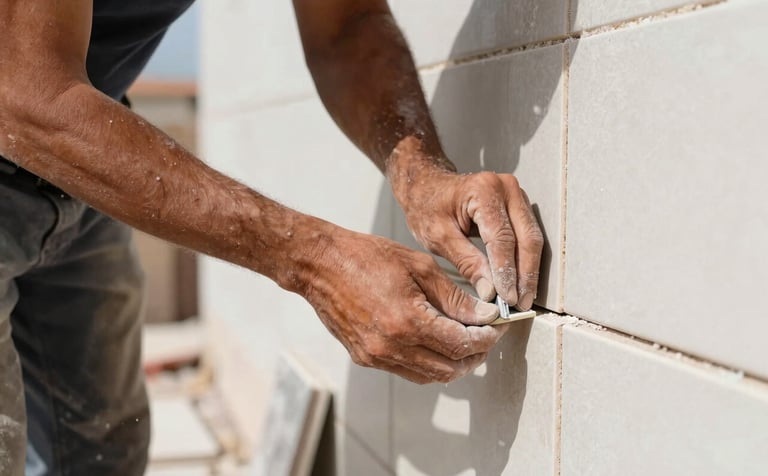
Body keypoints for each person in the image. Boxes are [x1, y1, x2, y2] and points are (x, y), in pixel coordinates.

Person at [0, 0, 544, 474]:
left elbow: (346, 26)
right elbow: (27, 93)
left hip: (81, 148)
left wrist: (420, 174)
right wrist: (315, 260)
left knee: (100, 449)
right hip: (39, 117)